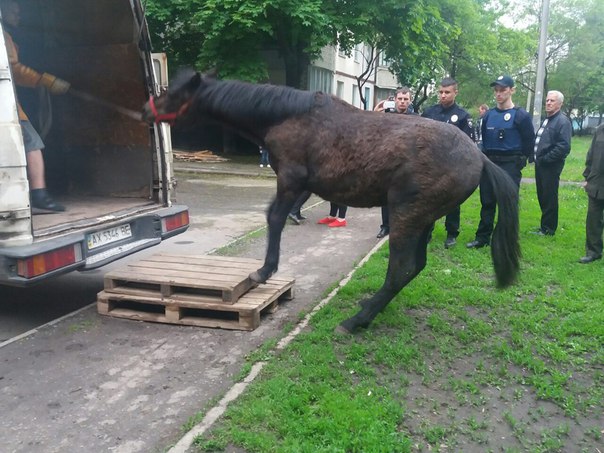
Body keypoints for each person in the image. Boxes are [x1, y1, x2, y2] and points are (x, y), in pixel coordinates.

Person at [1, 0, 70, 212]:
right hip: (5, 106)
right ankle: (40, 195)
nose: (19, 14)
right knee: (33, 144)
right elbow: (13, 70)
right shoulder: (3, 36)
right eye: (14, 9)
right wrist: (44, 80)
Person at [467, 75, 535, 248]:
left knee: (507, 202)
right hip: (490, 163)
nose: (498, 94)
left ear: (512, 90)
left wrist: (521, 160)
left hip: (510, 164)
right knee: (487, 201)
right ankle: (482, 237)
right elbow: (483, 138)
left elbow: (529, 141)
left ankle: (505, 239)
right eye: (496, 90)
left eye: (503, 90)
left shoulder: (521, 116)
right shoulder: (488, 115)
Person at [422, 77, 473, 248]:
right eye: (441, 92)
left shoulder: (462, 116)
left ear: (455, 93)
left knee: (452, 201)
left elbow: (467, 144)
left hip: (452, 166)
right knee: (428, 200)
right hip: (431, 164)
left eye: (447, 92)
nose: (443, 95)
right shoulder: (429, 113)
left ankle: (452, 233)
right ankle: (426, 231)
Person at [374, 87, 416, 239]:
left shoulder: (417, 119)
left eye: (406, 99)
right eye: (400, 99)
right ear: (395, 100)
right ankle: (385, 226)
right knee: (387, 197)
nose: (403, 102)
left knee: (407, 197)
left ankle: (404, 228)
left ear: (410, 101)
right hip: (389, 163)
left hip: (408, 164)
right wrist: (375, 115)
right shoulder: (386, 117)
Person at [532, 90, 572, 236]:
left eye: (552, 101)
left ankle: (548, 229)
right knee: (542, 195)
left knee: (549, 197)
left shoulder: (562, 121)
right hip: (540, 165)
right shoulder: (547, 119)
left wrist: (546, 158)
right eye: (547, 100)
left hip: (550, 166)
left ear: (560, 104)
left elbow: (564, 146)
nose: (548, 103)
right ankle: (544, 226)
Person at [579, 124, 604, 264]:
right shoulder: (600, 129)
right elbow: (591, 154)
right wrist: (587, 176)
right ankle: (593, 252)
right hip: (596, 182)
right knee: (593, 219)